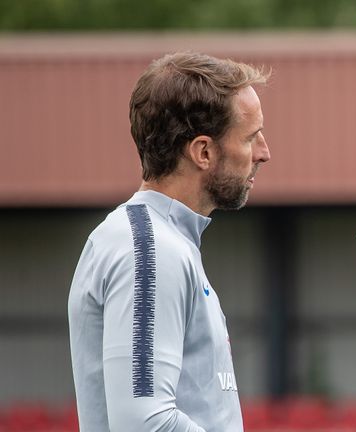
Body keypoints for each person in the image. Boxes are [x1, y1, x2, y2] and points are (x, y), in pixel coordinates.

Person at [68, 52, 270, 431]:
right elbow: (144, 423)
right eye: (251, 137)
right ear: (203, 152)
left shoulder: (160, 241)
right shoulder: (150, 250)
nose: (264, 153)